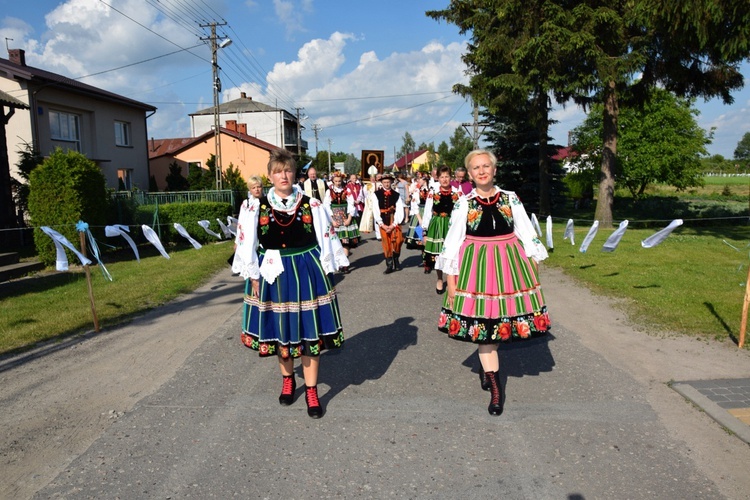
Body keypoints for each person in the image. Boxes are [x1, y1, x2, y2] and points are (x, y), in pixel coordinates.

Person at [232, 150, 349, 418]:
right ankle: (287, 379)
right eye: (277, 171)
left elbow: (327, 239)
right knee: (282, 330)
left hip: (307, 271)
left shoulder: (312, 204)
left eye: (287, 171)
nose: (283, 176)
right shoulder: (254, 206)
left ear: (294, 174)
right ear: (270, 175)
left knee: (311, 333)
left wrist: (328, 271)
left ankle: (311, 390)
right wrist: (253, 275)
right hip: (273, 274)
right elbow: (246, 242)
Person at [436, 149, 550, 416]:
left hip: (510, 266)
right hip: (476, 268)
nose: (482, 171)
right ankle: (496, 390)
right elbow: (452, 245)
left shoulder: (511, 199)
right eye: (476, 168)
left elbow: (526, 232)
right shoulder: (464, 203)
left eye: (486, 166)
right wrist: (451, 284)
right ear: (470, 174)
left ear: (495, 170)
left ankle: (487, 367)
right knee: (485, 328)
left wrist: (532, 264)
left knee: (501, 325)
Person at [421, 165, 461, 286]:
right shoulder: (433, 192)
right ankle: (439, 278)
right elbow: (427, 211)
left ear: (451, 177)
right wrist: (425, 232)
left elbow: (460, 211)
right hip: (437, 223)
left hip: (451, 224)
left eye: (447, 176)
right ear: (438, 178)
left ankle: (452, 278)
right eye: (442, 177)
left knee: (452, 252)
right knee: (438, 253)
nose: (444, 179)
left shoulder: (457, 192)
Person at [324, 171, 360, 272]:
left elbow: (351, 204)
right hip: (334, 218)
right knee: (336, 242)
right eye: (336, 181)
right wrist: (332, 220)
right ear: (333, 181)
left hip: (345, 217)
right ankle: (339, 262)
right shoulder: (329, 192)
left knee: (346, 241)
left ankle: (345, 264)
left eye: (340, 181)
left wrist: (349, 218)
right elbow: (326, 206)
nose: (338, 183)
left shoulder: (347, 190)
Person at [372, 172, 405, 273]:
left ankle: (396, 258)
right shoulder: (376, 194)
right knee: (386, 243)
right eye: (385, 182)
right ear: (381, 183)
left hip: (394, 220)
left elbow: (399, 209)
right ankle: (389, 265)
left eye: (388, 182)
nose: (386, 184)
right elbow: (375, 209)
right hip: (383, 221)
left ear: (391, 182)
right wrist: (381, 224)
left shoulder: (396, 195)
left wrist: (394, 224)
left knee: (398, 241)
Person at [404, 175, 429, 250]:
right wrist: (420, 219)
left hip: (428, 212)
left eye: (420, 179)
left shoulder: (431, 189)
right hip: (419, 212)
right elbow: (414, 205)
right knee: (420, 233)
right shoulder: (417, 190)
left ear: (424, 180)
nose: (418, 181)